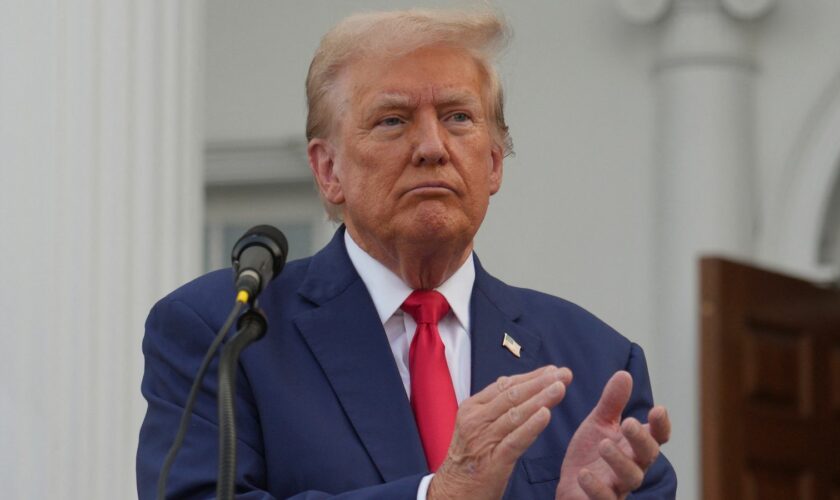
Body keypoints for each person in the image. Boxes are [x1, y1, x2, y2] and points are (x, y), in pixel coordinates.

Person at [137, 8, 676, 499]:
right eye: (392, 120)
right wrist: (439, 494)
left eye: (458, 117)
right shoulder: (226, 335)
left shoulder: (596, 364)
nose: (432, 147)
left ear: (493, 163)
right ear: (328, 171)